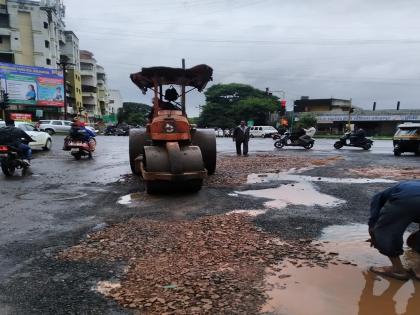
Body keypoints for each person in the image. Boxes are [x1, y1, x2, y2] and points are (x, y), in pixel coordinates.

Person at [368, 180, 420, 280]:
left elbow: (373, 221)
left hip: (407, 200)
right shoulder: (412, 185)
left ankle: (398, 270)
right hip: (411, 197)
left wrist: (375, 236)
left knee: (386, 231)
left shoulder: (379, 196)